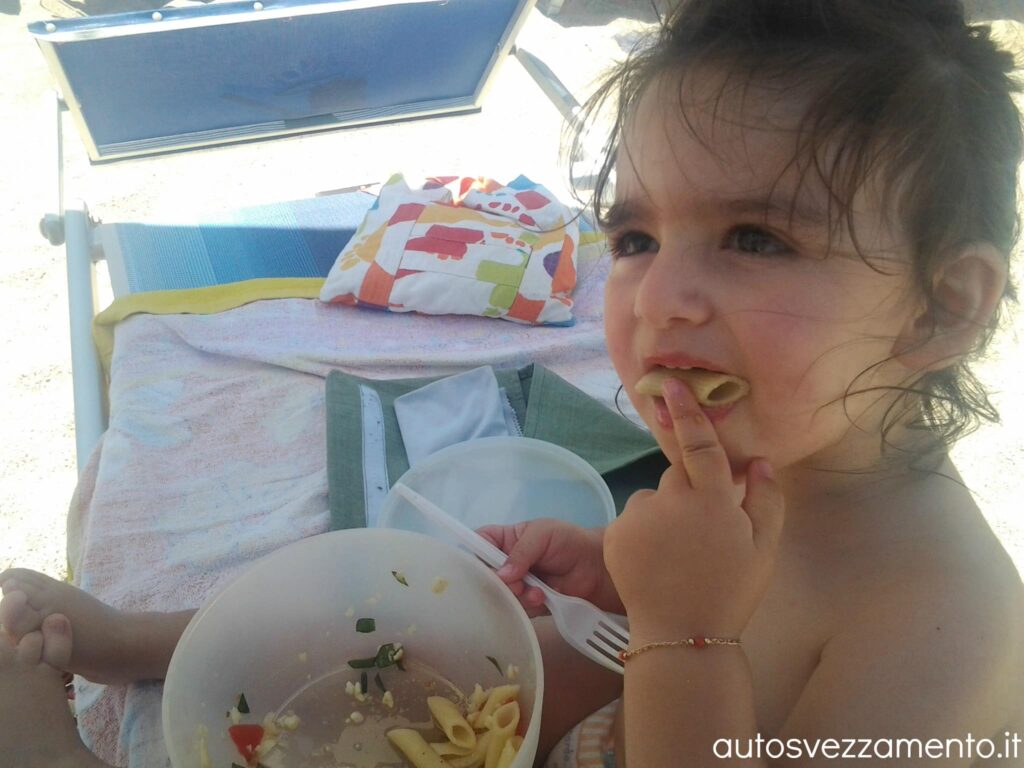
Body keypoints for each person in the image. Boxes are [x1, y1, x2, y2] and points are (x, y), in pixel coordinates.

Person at [2, 0, 1023, 765]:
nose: (657, 296)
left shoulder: (944, 637)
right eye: (633, 236)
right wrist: (622, 582)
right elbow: (726, 616)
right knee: (431, 611)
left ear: (940, 307)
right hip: (631, 697)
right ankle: (137, 640)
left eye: (755, 238)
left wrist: (683, 630)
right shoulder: (776, 459)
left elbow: (728, 641)